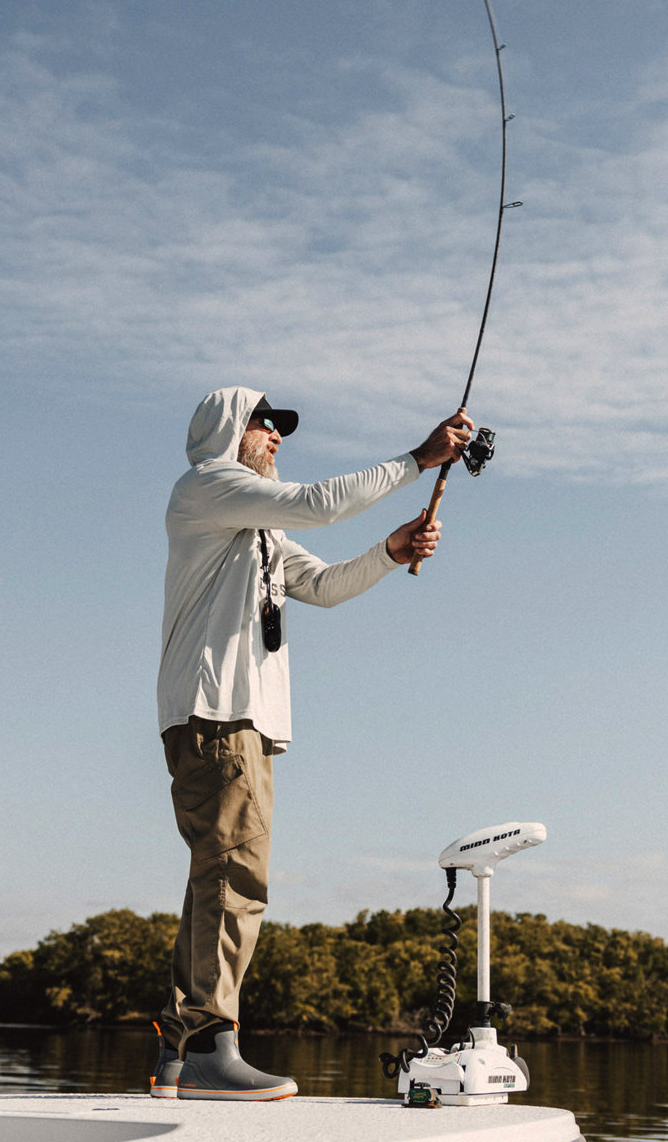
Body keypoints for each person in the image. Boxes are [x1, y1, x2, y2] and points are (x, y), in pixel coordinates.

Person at [150, 385, 472, 1101]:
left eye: (278, 429)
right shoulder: (207, 487)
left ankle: (181, 1052)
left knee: (216, 878)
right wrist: (422, 459)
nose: (276, 437)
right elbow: (319, 503)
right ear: (228, 430)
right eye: (265, 425)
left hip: (240, 723)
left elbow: (323, 585)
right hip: (219, 718)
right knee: (237, 879)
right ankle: (209, 1049)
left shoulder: (253, 529)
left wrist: (390, 552)